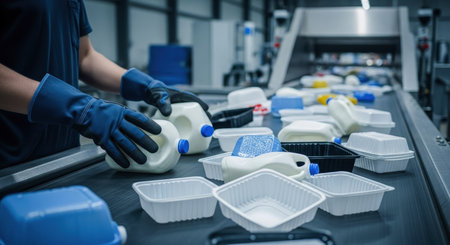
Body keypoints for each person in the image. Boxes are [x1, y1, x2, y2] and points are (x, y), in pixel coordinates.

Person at [0, 0, 207, 168]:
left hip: (62, 159)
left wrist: (145, 85)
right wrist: (80, 109)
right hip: (10, 162)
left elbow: (84, 57)